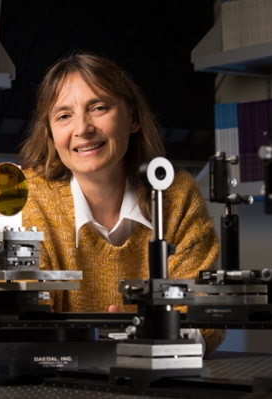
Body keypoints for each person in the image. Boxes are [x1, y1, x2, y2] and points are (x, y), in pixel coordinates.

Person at [19, 51, 225, 356]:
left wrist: (147, 343)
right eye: (64, 116)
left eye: (98, 108)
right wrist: (104, 345)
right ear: (50, 135)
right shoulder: (25, 197)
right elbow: (21, 320)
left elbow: (205, 318)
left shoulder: (176, 195)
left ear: (133, 118)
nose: (82, 129)